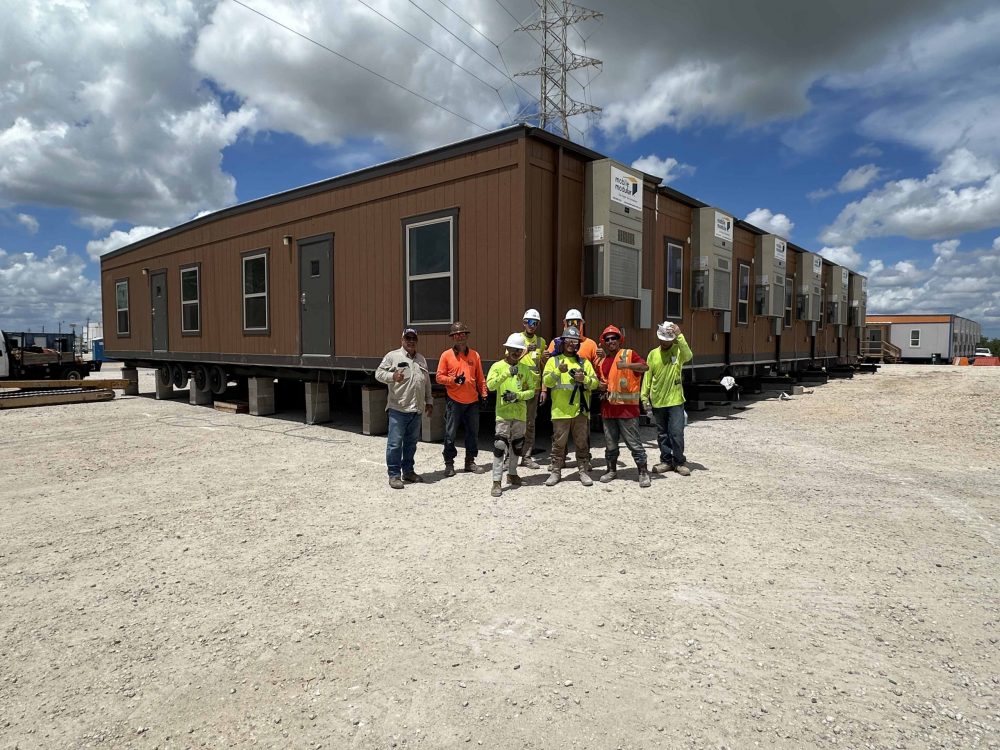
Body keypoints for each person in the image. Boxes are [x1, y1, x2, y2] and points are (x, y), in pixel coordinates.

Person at [375, 328, 435, 489]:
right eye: (407, 338)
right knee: (395, 444)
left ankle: (408, 471)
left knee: (411, 443)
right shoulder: (392, 356)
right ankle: (394, 475)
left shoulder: (421, 359)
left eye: (413, 338)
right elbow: (378, 373)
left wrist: (429, 401)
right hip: (398, 408)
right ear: (402, 339)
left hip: (416, 410)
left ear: (417, 341)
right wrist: (392, 376)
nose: (411, 341)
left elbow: (426, 382)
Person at [542, 326, 599, 486]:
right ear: (563, 342)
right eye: (568, 341)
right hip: (560, 411)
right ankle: (555, 471)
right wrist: (558, 372)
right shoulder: (554, 361)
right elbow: (547, 382)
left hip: (580, 411)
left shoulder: (584, 362)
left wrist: (585, 379)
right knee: (558, 444)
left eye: (574, 342)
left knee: (582, 443)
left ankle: (583, 471)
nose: (571, 344)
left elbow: (594, 384)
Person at [596, 325, 651, 487]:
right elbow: (601, 383)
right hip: (608, 409)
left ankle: (643, 472)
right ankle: (611, 470)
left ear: (620, 340)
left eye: (614, 338)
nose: (611, 341)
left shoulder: (629, 354)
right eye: (608, 339)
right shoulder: (602, 362)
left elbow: (645, 367)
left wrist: (627, 366)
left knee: (633, 443)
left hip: (627, 410)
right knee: (610, 443)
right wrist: (601, 387)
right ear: (604, 342)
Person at [485, 333, 537, 497]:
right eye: (513, 349)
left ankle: (512, 474)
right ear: (507, 349)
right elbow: (491, 386)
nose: (516, 352)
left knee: (517, 444)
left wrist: (517, 396)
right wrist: (507, 373)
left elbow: (531, 392)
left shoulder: (525, 369)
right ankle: (496, 481)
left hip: (520, 413)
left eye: (519, 349)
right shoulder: (497, 366)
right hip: (503, 413)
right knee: (500, 445)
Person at [641, 321, 693, 476]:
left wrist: (680, 335)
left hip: (676, 400)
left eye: (667, 339)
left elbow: (689, 355)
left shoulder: (678, 351)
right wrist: (644, 397)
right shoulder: (653, 354)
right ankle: (666, 461)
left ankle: (679, 462)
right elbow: (648, 376)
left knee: (676, 432)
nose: (664, 342)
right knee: (662, 433)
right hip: (658, 401)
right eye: (662, 339)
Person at [436, 321, 488, 476]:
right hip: (454, 400)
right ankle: (449, 464)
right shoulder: (446, 355)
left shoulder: (475, 355)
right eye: (456, 335)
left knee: (473, 432)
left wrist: (484, 394)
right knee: (450, 433)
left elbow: (480, 378)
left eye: (463, 334)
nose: (460, 337)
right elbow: (439, 377)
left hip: (472, 401)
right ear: (452, 338)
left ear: (467, 336)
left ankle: (470, 461)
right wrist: (453, 381)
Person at [517, 308, 548, 469]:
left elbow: (544, 368)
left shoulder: (541, 342)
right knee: (515, 422)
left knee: (530, 423)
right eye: (529, 322)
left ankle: (527, 456)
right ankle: (513, 455)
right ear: (524, 323)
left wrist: (544, 389)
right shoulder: (516, 339)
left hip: (534, 389)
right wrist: (524, 352)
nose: (532, 325)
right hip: (518, 388)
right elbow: (509, 360)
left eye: (535, 323)